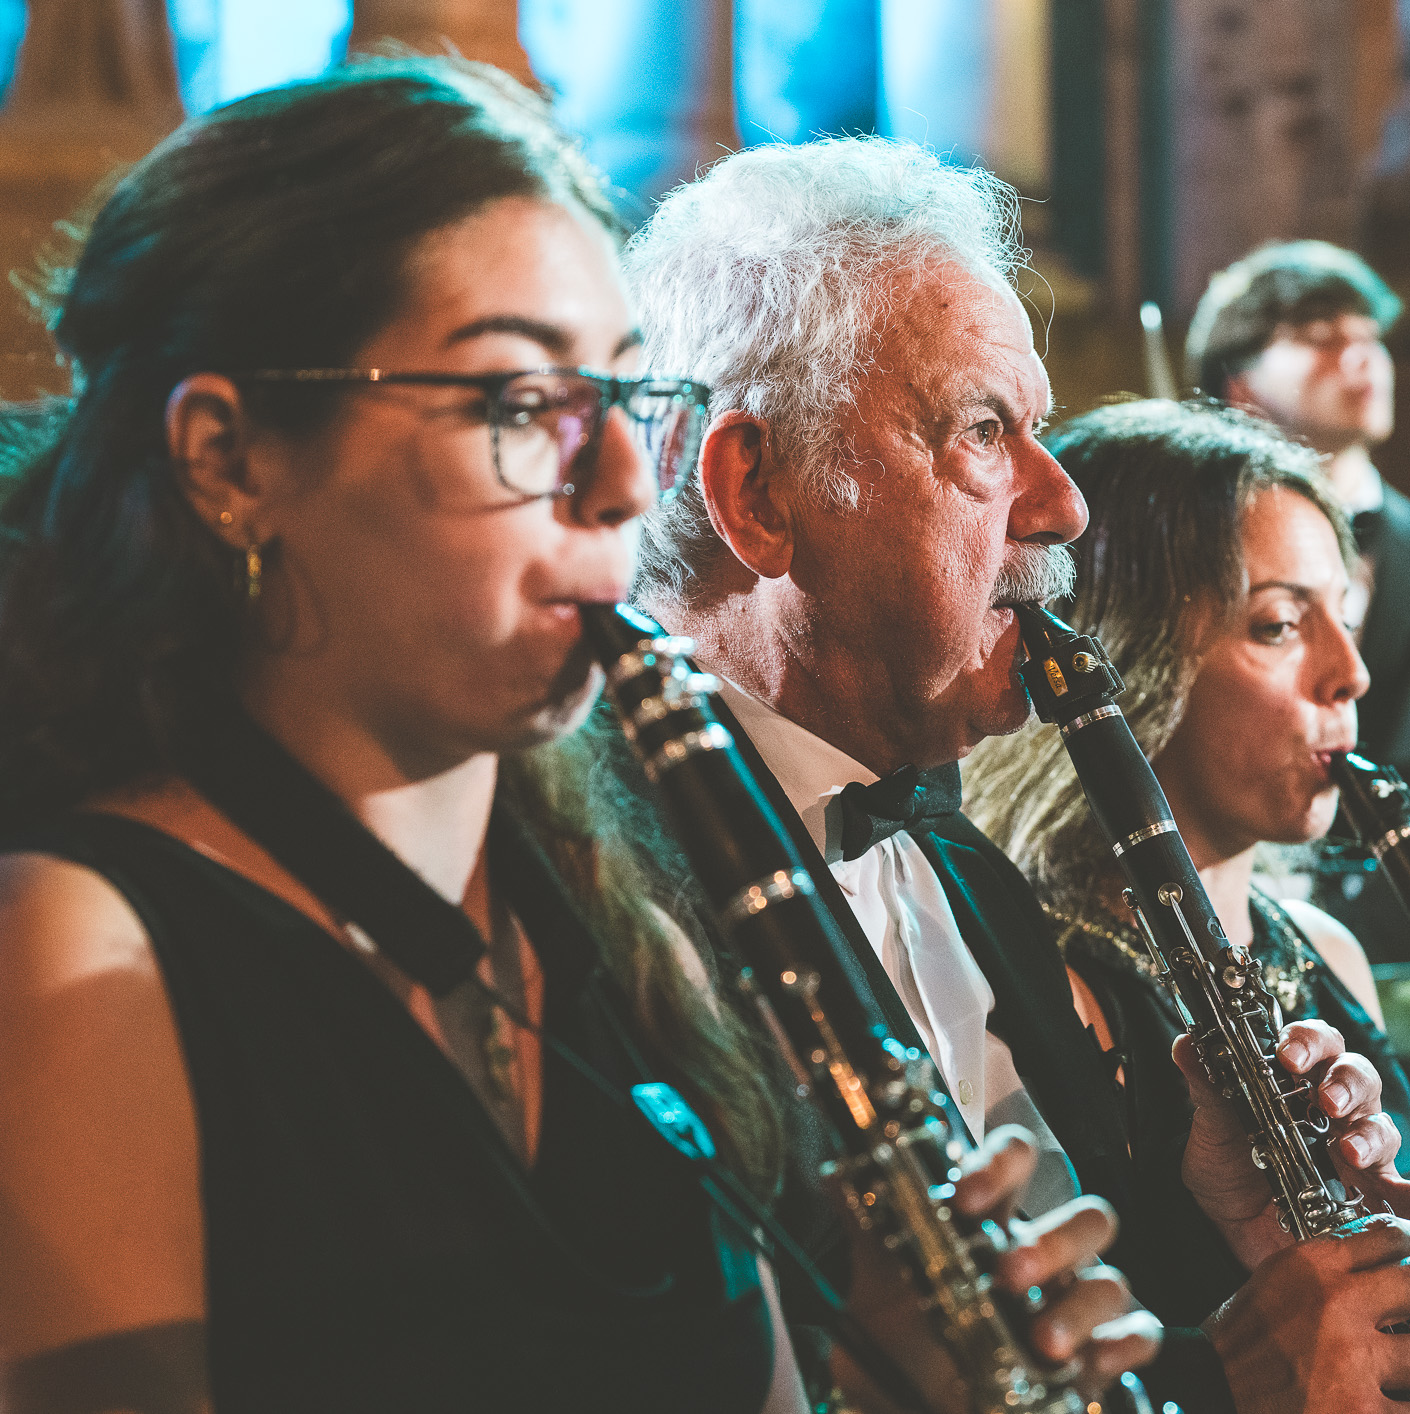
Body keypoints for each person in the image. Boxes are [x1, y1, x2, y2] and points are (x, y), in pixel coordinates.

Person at [0, 58, 1147, 1414]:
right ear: (232, 462)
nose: (616, 487)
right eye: (516, 405)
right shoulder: (74, 961)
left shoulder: (621, 941)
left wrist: (885, 1371)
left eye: (617, 399)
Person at [627, 135, 1410, 1412]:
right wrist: (1231, 1387)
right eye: (984, 432)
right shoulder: (604, 896)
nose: (1063, 503)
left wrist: (1238, 1237)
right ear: (758, 493)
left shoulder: (963, 867)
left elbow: (1099, 1344)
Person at [962, 398, 1410, 1314]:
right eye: (1277, 625)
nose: (1349, 671)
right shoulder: (1042, 992)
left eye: (1344, 615)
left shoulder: (1322, 948)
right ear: (1135, 652)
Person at [1186, 240, 1410, 960]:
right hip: (1248, 940)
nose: (1360, 357)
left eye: (1369, 337)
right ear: (1239, 383)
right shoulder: (1187, 562)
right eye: (1319, 338)